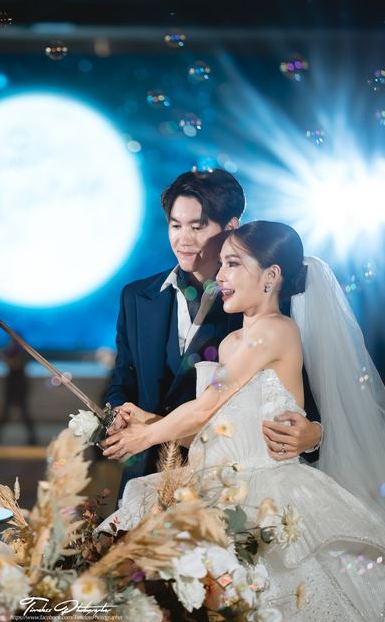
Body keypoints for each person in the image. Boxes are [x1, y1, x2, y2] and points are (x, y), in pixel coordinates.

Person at [98, 222, 385, 622]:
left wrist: (144, 437)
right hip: (218, 485)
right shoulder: (232, 344)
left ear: (271, 276)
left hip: (269, 494)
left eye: (233, 264)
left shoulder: (275, 331)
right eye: (222, 264)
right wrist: (147, 420)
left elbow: (205, 406)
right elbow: (212, 428)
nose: (220, 276)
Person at [104, 169, 321, 504]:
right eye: (175, 225)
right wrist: (121, 416)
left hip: (242, 493)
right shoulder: (136, 297)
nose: (183, 239)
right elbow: (123, 381)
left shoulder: (265, 313)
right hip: (153, 477)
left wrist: (314, 435)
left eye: (197, 226)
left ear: (231, 226)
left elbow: (305, 400)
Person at [0, 337, 38, 445]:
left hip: (19, 385)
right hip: (12, 385)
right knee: (6, 413)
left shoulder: (22, 352)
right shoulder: (12, 351)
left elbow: (15, 364)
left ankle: (32, 438)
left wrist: (5, 357)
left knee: (23, 413)